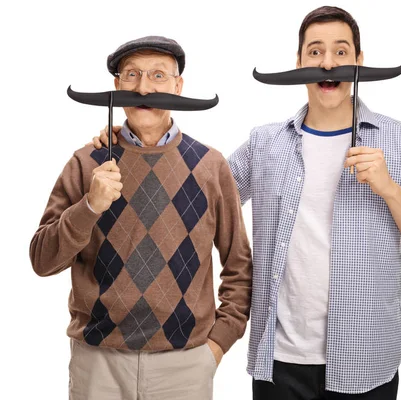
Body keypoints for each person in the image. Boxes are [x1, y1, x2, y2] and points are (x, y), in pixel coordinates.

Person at [91, 6, 401, 400]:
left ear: (359, 61)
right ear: (299, 63)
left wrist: (389, 188)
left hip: (366, 361)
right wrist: (130, 141)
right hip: (278, 362)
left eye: (340, 51)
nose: (327, 63)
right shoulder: (265, 144)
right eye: (315, 52)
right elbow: (194, 196)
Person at [30, 35, 253, 400]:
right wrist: (89, 207)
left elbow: (238, 264)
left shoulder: (211, 167)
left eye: (158, 76)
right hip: (98, 364)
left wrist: (217, 345)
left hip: (185, 365)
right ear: (117, 86)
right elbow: (42, 260)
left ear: (178, 87)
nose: (144, 87)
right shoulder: (87, 162)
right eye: (131, 75)